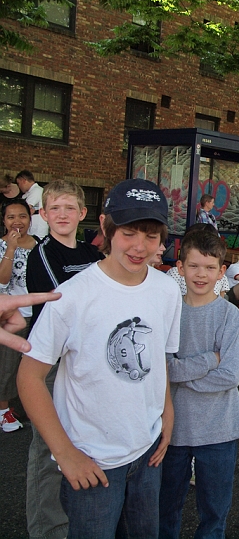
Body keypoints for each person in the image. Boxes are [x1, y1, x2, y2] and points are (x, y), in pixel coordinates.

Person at [17, 179, 182, 539]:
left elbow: (157, 358)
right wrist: (65, 452)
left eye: (152, 235)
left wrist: (167, 410)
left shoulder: (168, 289)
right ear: (106, 228)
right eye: (129, 232)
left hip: (148, 448)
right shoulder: (72, 296)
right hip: (92, 460)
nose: (140, 246)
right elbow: (29, 379)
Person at [24, 179, 104, 539]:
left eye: (69, 207)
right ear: (42, 213)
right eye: (54, 208)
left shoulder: (91, 255)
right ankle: (48, 529)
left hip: (90, 359)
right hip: (54, 362)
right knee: (50, 448)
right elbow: (65, 304)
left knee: (86, 438)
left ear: (82, 214)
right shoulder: (42, 254)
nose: (61, 214)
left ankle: (82, 519)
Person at [159, 230, 239, 539]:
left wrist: (180, 374)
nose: (201, 274)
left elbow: (230, 377)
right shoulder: (168, 312)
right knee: (165, 510)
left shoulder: (228, 315)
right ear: (180, 267)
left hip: (219, 429)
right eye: (194, 266)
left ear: (221, 271)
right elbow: (164, 369)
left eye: (209, 268)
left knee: (213, 515)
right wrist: (211, 358)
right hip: (174, 428)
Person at [0, 200, 38, 432]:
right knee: (7, 364)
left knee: (34, 363)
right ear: (4, 220)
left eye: (22, 216)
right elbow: (3, 281)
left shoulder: (40, 245)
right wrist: (11, 249)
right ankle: (3, 411)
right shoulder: (1, 246)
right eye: (11, 217)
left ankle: (28, 405)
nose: (17, 222)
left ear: (30, 218)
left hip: (38, 313)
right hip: (13, 315)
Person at [15, 170, 49, 239]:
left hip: (37, 231)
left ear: (23, 181)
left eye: (19, 183)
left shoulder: (36, 191)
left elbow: (23, 209)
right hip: (32, 230)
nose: (19, 186)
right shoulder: (29, 193)